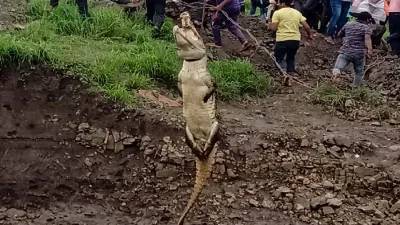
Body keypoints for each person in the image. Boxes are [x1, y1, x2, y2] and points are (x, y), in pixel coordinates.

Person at [268, 0, 313, 77]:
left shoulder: (277, 13)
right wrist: (310, 35)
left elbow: (274, 28)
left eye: (279, 3)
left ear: (283, 3)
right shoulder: (297, 13)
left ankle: (283, 72)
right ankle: (291, 71)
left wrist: (269, 24)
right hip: (295, 40)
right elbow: (307, 27)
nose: (278, 4)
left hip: (282, 39)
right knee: (291, 57)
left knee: (279, 57)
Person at [331, 12, 374, 86]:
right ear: (367, 20)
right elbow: (367, 38)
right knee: (359, 72)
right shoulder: (366, 28)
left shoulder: (348, 24)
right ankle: (355, 86)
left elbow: (339, 34)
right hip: (359, 54)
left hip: (345, 51)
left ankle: (336, 73)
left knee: (337, 67)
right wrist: (370, 50)